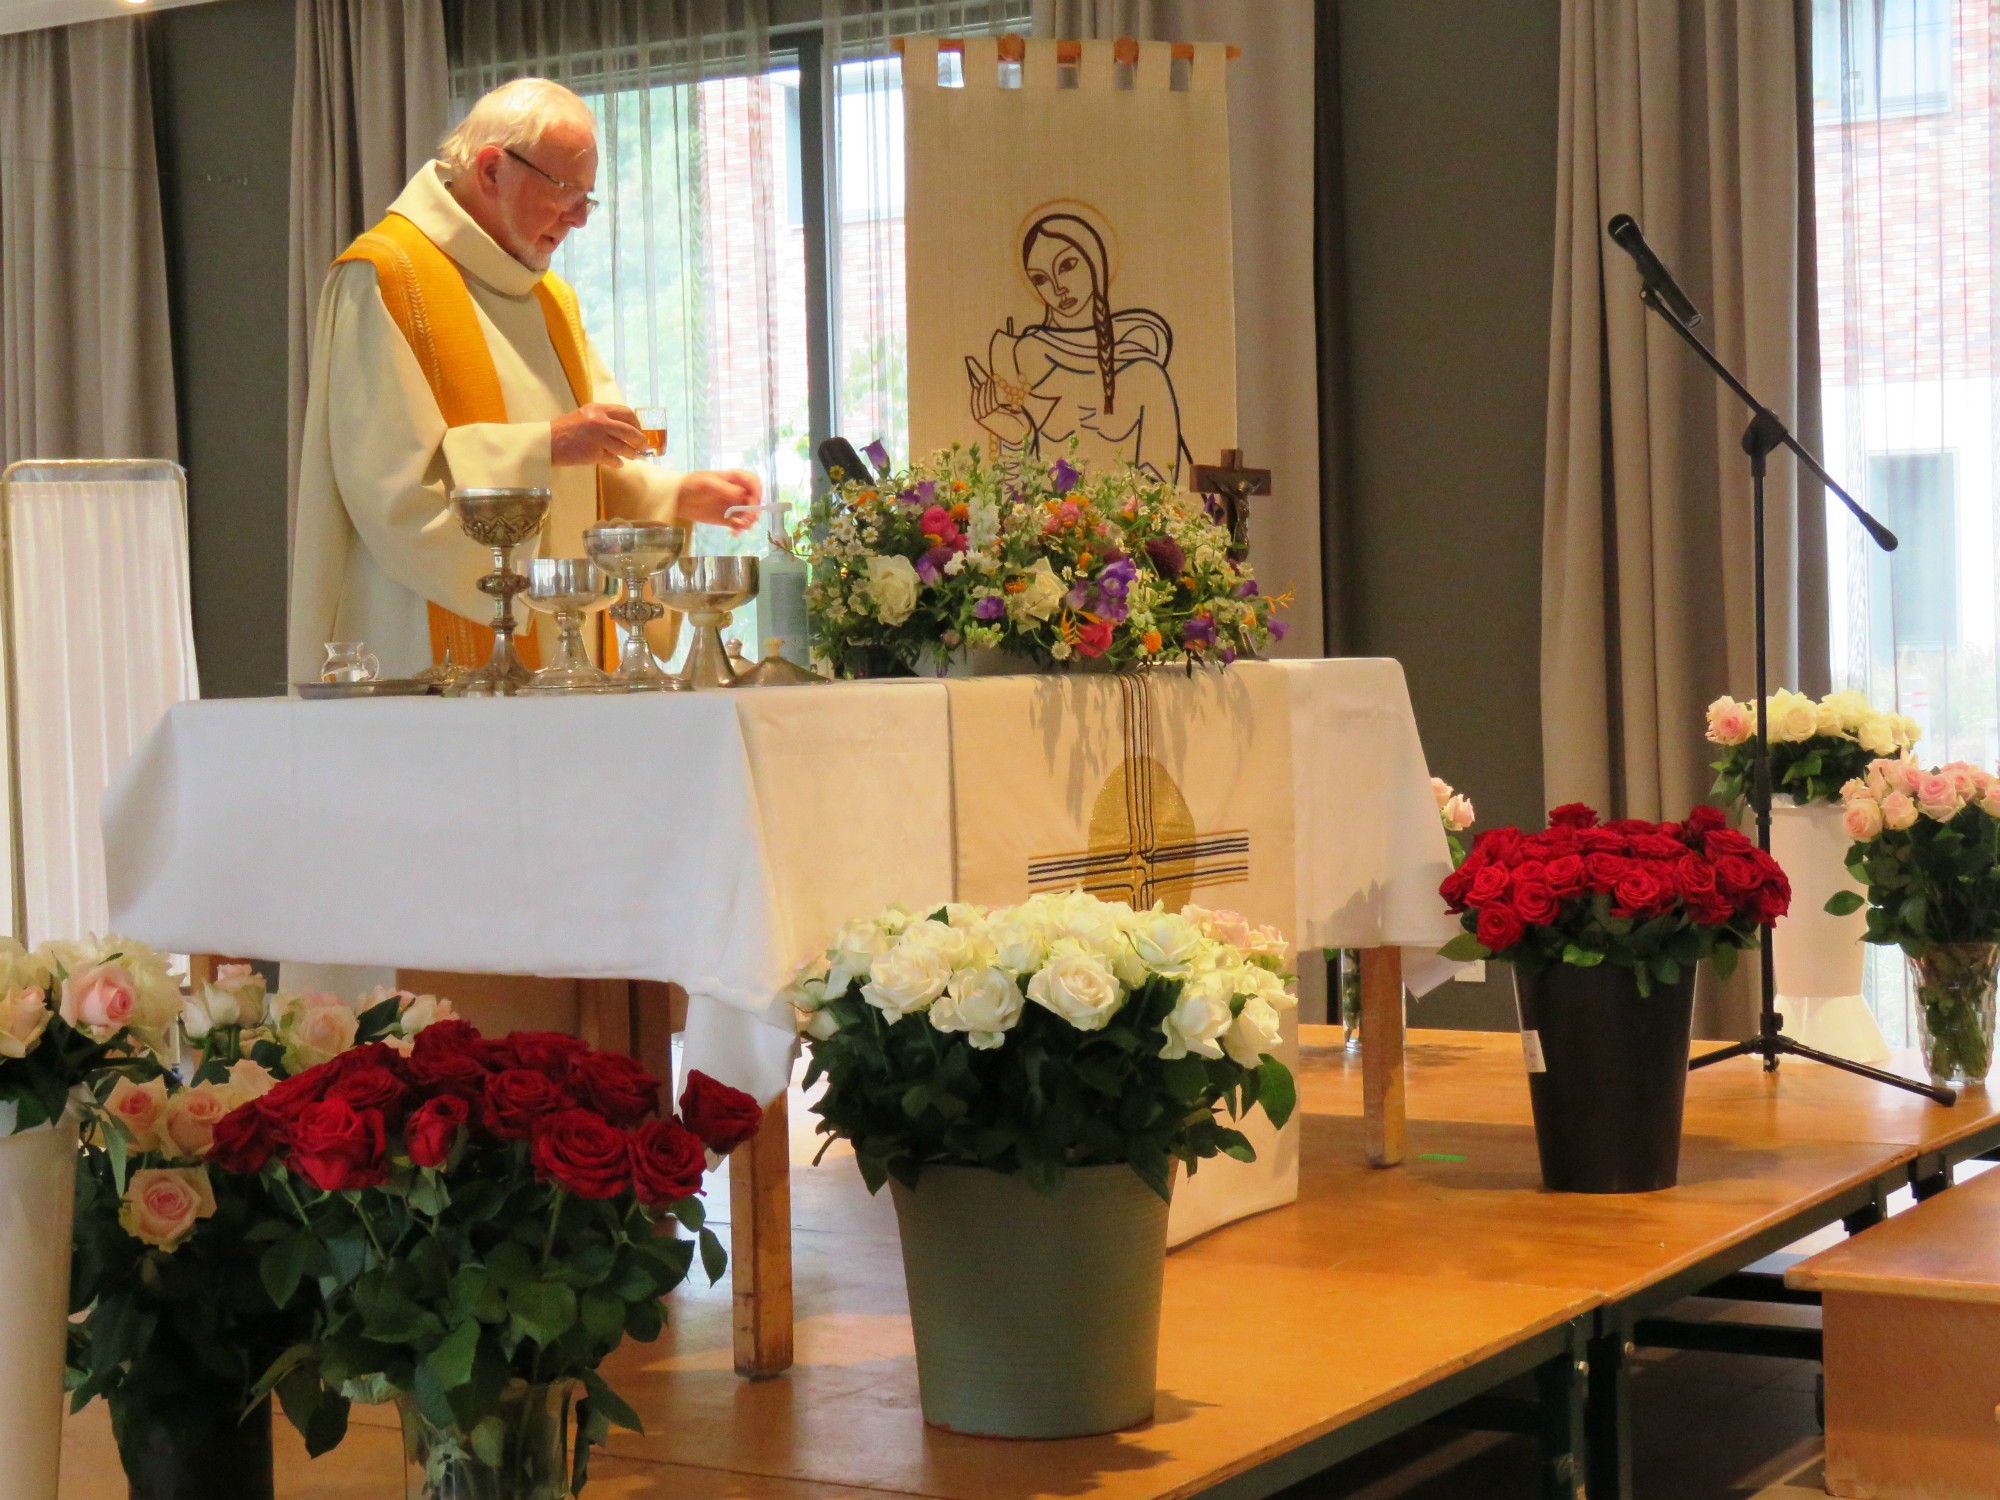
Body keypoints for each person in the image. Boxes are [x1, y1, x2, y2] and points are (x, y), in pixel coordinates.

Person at [287, 77, 759, 683]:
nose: (578, 221)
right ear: (491, 170)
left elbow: (598, 461)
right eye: (565, 194)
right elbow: (391, 486)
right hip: (419, 645)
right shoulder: (384, 277)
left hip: (562, 662)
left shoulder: (550, 301)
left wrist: (675, 496)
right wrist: (546, 446)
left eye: (588, 200)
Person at [965, 209, 1190, 485]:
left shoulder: (1145, 375)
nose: (1058, 288)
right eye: (1040, 279)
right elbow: (1015, 508)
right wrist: (1013, 440)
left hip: (1121, 527)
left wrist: (1099, 519)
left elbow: (1162, 498)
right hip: (1050, 528)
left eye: (1067, 265)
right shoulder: (1028, 370)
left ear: (1094, 260)